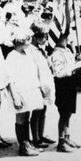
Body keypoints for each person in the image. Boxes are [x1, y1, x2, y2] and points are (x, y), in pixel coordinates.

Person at [5, 29, 44, 157]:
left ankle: (27, 142)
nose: (29, 42)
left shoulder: (27, 54)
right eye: (27, 40)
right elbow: (9, 78)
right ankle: (23, 146)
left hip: (29, 89)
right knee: (21, 117)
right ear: (19, 41)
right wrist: (15, 96)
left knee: (27, 116)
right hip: (19, 91)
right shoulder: (12, 56)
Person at [49, 32, 81, 153]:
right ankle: (61, 141)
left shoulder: (67, 51)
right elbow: (59, 73)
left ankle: (67, 137)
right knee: (63, 114)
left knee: (69, 113)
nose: (67, 40)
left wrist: (77, 60)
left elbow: (71, 63)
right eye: (64, 38)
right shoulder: (56, 54)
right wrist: (75, 67)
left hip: (71, 84)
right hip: (62, 85)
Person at [28, 21, 56, 149]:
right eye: (44, 36)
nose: (46, 38)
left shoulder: (41, 49)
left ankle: (41, 134)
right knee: (36, 111)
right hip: (37, 83)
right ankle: (35, 138)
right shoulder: (30, 50)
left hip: (45, 82)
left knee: (44, 109)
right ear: (35, 36)